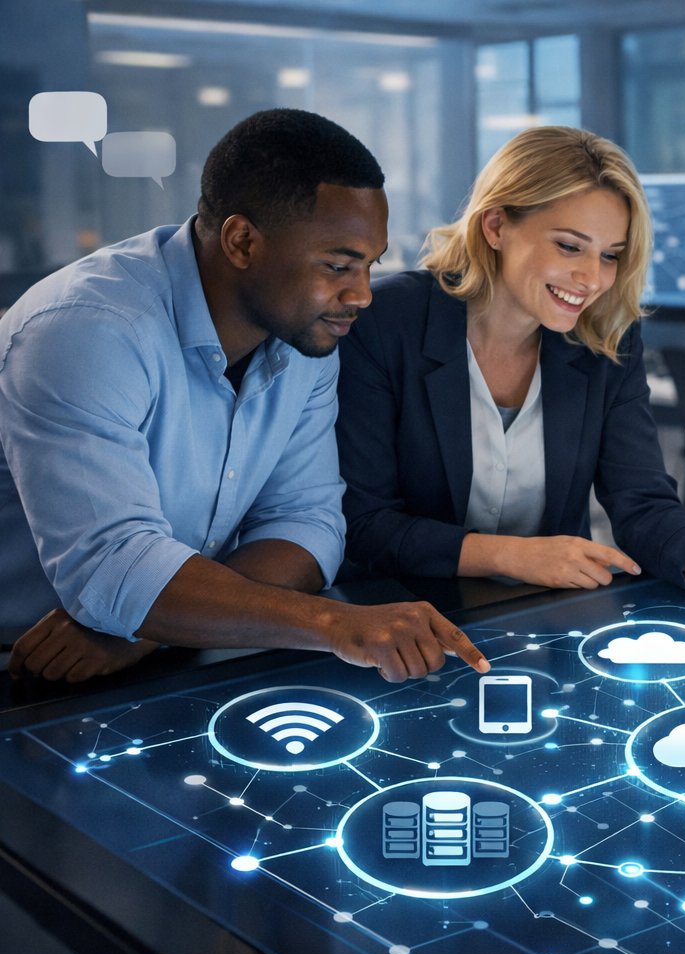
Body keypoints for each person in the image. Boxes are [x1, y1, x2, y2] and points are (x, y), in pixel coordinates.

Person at [0, 108, 489, 684]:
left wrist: (155, 626)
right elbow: (113, 570)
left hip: (161, 656)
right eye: (338, 265)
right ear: (241, 240)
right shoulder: (88, 329)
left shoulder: (307, 334)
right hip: (25, 669)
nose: (361, 295)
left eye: (370, 266)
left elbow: (308, 524)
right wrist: (336, 624)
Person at [336, 126, 685, 642]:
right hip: (398, 626)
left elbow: (644, 507)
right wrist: (514, 554)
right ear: (495, 226)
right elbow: (364, 523)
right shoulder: (386, 321)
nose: (592, 278)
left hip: (545, 626)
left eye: (610, 254)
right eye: (570, 246)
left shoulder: (607, 336)